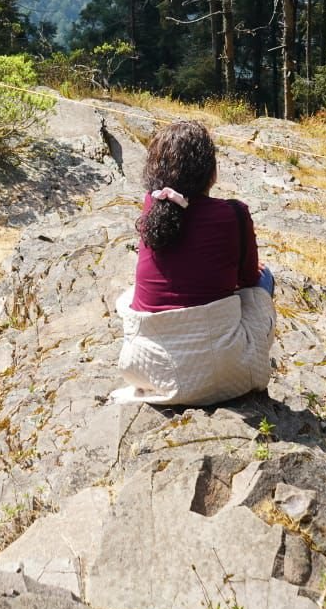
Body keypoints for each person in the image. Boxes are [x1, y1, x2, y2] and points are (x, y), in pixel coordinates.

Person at [113, 121, 275, 405]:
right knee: (265, 279)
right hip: (222, 370)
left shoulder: (152, 206)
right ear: (210, 172)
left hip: (147, 369)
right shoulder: (234, 213)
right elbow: (248, 279)